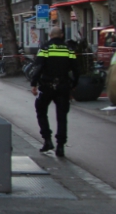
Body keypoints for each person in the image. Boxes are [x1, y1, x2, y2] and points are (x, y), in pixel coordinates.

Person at [30, 26, 79, 157]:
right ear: (62, 35)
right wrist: (73, 84)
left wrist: (34, 83)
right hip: (63, 86)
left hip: (47, 85)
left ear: (50, 35)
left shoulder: (45, 48)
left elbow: (38, 67)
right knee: (62, 117)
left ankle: (47, 139)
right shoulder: (69, 49)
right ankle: (61, 146)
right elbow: (76, 69)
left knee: (41, 111)